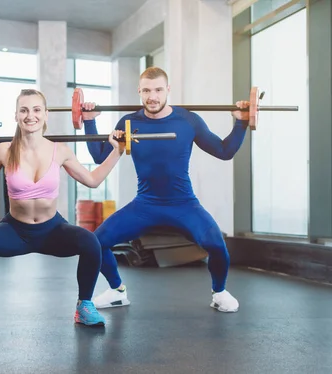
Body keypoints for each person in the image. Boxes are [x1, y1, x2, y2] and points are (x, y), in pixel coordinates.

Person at [0, 88, 125, 327]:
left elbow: (93, 180)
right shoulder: (4, 150)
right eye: (24, 110)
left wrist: (118, 151)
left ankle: (84, 305)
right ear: (16, 115)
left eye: (36, 110)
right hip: (16, 231)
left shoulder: (60, 151)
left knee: (90, 242)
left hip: (52, 231)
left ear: (46, 115)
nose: (30, 115)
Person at [82, 67, 250, 313]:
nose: (153, 96)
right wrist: (90, 122)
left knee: (216, 244)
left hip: (183, 203)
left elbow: (224, 152)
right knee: (96, 242)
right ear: (139, 91)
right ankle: (117, 291)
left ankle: (219, 292)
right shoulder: (128, 122)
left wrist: (241, 122)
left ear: (167, 90)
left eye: (158, 90)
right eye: (147, 90)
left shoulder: (188, 120)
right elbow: (99, 157)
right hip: (145, 204)